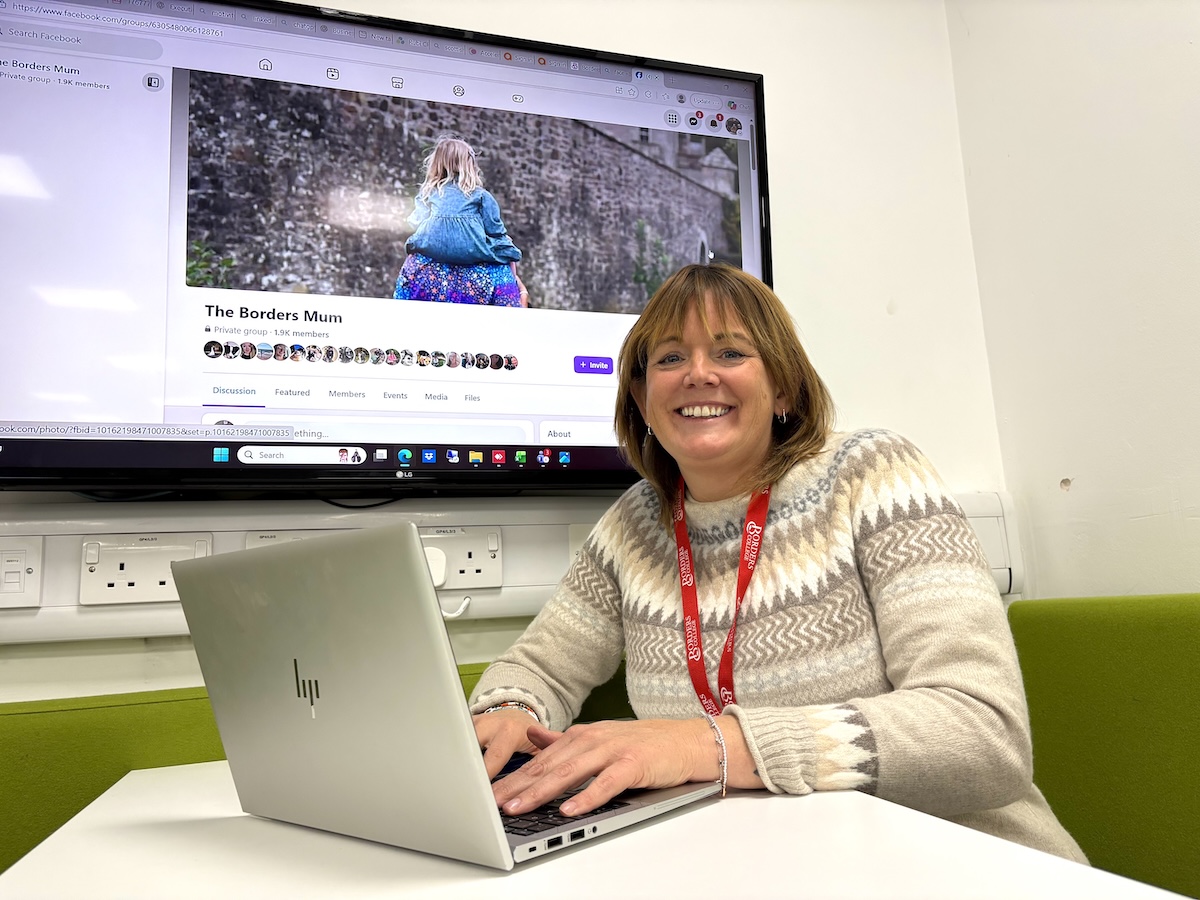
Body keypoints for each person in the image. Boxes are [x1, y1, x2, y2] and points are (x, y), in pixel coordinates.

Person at [469, 263, 1088, 863]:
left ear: (784, 388)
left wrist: (712, 743)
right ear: (641, 396)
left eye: (731, 353)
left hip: (964, 861)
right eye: (669, 358)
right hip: (766, 866)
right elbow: (538, 668)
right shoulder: (633, 526)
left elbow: (982, 733)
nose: (698, 375)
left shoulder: (872, 474)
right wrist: (507, 713)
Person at [394, 136, 529, 308]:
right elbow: (496, 230)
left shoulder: (427, 194)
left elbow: (415, 222)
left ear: (436, 164)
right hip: (475, 253)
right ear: (470, 165)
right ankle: (514, 300)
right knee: (507, 254)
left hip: (432, 251)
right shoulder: (481, 196)